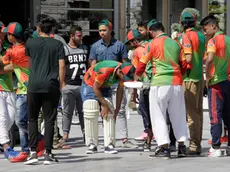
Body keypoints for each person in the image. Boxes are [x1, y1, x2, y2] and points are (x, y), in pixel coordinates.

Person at [134, 19, 188, 158]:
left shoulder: (152, 44)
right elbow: (185, 65)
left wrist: (136, 77)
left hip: (159, 83)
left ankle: (164, 147)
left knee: (158, 115)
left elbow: (142, 64)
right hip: (177, 83)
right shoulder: (176, 43)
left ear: (151, 31)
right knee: (179, 115)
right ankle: (182, 146)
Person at [0, 22, 45, 162]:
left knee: (21, 121)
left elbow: (3, 65)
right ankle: (26, 151)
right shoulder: (25, 47)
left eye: (8, 34)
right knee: (25, 119)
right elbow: (12, 67)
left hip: (26, 89)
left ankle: (40, 139)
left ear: (13, 37)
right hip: (25, 88)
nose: (6, 36)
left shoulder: (15, 51)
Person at [24, 17, 65, 165]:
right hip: (51, 85)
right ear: (52, 30)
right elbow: (61, 66)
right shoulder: (58, 44)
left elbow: (30, 64)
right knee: (49, 119)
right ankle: (48, 153)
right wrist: (60, 85)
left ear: (39, 29)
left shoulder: (30, 43)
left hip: (34, 85)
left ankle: (33, 152)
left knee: (32, 118)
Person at [89, 20, 136, 148]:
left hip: (116, 81)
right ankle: (107, 137)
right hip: (101, 83)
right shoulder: (95, 46)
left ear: (110, 30)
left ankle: (124, 138)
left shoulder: (119, 45)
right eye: (100, 31)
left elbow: (125, 64)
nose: (101, 33)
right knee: (103, 110)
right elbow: (92, 66)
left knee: (119, 109)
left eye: (104, 30)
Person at [81, 60, 135, 154]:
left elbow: (120, 90)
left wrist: (117, 109)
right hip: (90, 84)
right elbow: (95, 87)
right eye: (124, 77)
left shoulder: (123, 72)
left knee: (110, 112)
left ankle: (109, 144)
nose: (124, 79)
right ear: (120, 72)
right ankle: (92, 144)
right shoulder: (105, 70)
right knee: (91, 108)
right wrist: (103, 105)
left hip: (105, 85)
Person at [200, 14, 230, 157]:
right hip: (228, 81)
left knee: (215, 115)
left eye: (205, 29)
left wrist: (208, 77)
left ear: (213, 26)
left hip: (216, 82)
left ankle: (216, 146)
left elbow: (210, 58)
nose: (204, 33)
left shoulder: (212, 41)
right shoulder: (229, 40)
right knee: (228, 114)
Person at [180, 8, 206, 155]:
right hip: (198, 76)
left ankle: (194, 145)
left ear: (183, 23)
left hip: (188, 78)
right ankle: (197, 142)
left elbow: (188, 58)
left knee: (190, 114)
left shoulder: (185, 36)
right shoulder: (201, 36)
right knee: (198, 112)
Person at [124, 29, 153, 151]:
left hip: (145, 85)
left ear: (135, 41)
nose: (130, 45)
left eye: (130, 42)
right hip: (157, 83)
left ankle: (148, 137)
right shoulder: (150, 45)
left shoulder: (137, 51)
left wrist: (134, 92)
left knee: (144, 110)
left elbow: (136, 73)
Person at [60, 25, 88, 145]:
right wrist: (62, 84)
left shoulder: (85, 48)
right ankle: (65, 134)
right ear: (71, 36)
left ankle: (86, 133)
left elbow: (90, 66)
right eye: (78, 36)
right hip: (69, 85)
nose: (81, 38)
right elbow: (61, 67)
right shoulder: (64, 49)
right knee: (67, 111)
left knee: (84, 111)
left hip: (83, 85)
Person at [0, 21, 19, 161]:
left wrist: (3, 68)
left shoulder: (8, 47)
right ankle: (6, 146)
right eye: (3, 31)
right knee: (3, 117)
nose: (5, 33)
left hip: (9, 86)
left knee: (11, 118)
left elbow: (16, 64)